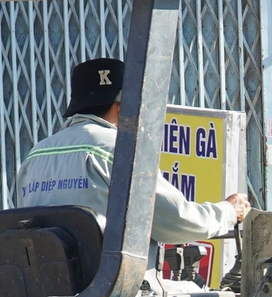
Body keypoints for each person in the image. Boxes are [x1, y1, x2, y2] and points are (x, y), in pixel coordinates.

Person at [15, 57, 249, 242]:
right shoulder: (119, 149)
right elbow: (178, 221)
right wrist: (228, 211)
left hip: (47, 285)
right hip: (111, 286)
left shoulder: (34, 156)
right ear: (121, 108)